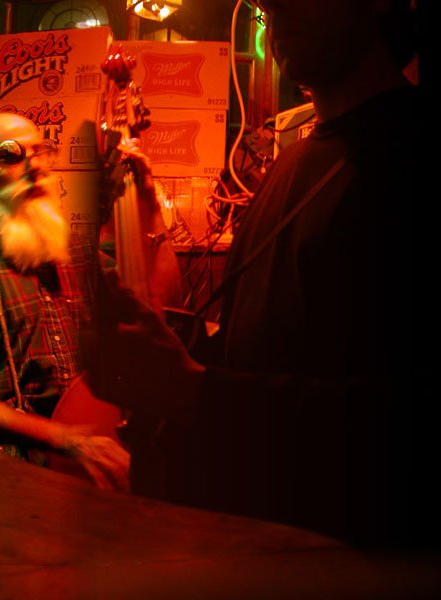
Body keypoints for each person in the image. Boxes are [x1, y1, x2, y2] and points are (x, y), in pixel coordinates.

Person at [82, 0, 432, 550]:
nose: (272, 4)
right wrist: (159, 357)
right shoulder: (289, 166)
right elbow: (257, 353)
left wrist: (192, 391)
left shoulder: (411, 154)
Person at [0, 112, 180, 491]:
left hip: (91, 465)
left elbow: (161, 299)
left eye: (39, 151)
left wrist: (149, 200)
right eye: (13, 155)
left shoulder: (77, 252)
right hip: (8, 475)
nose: (35, 166)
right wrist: (61, 438)